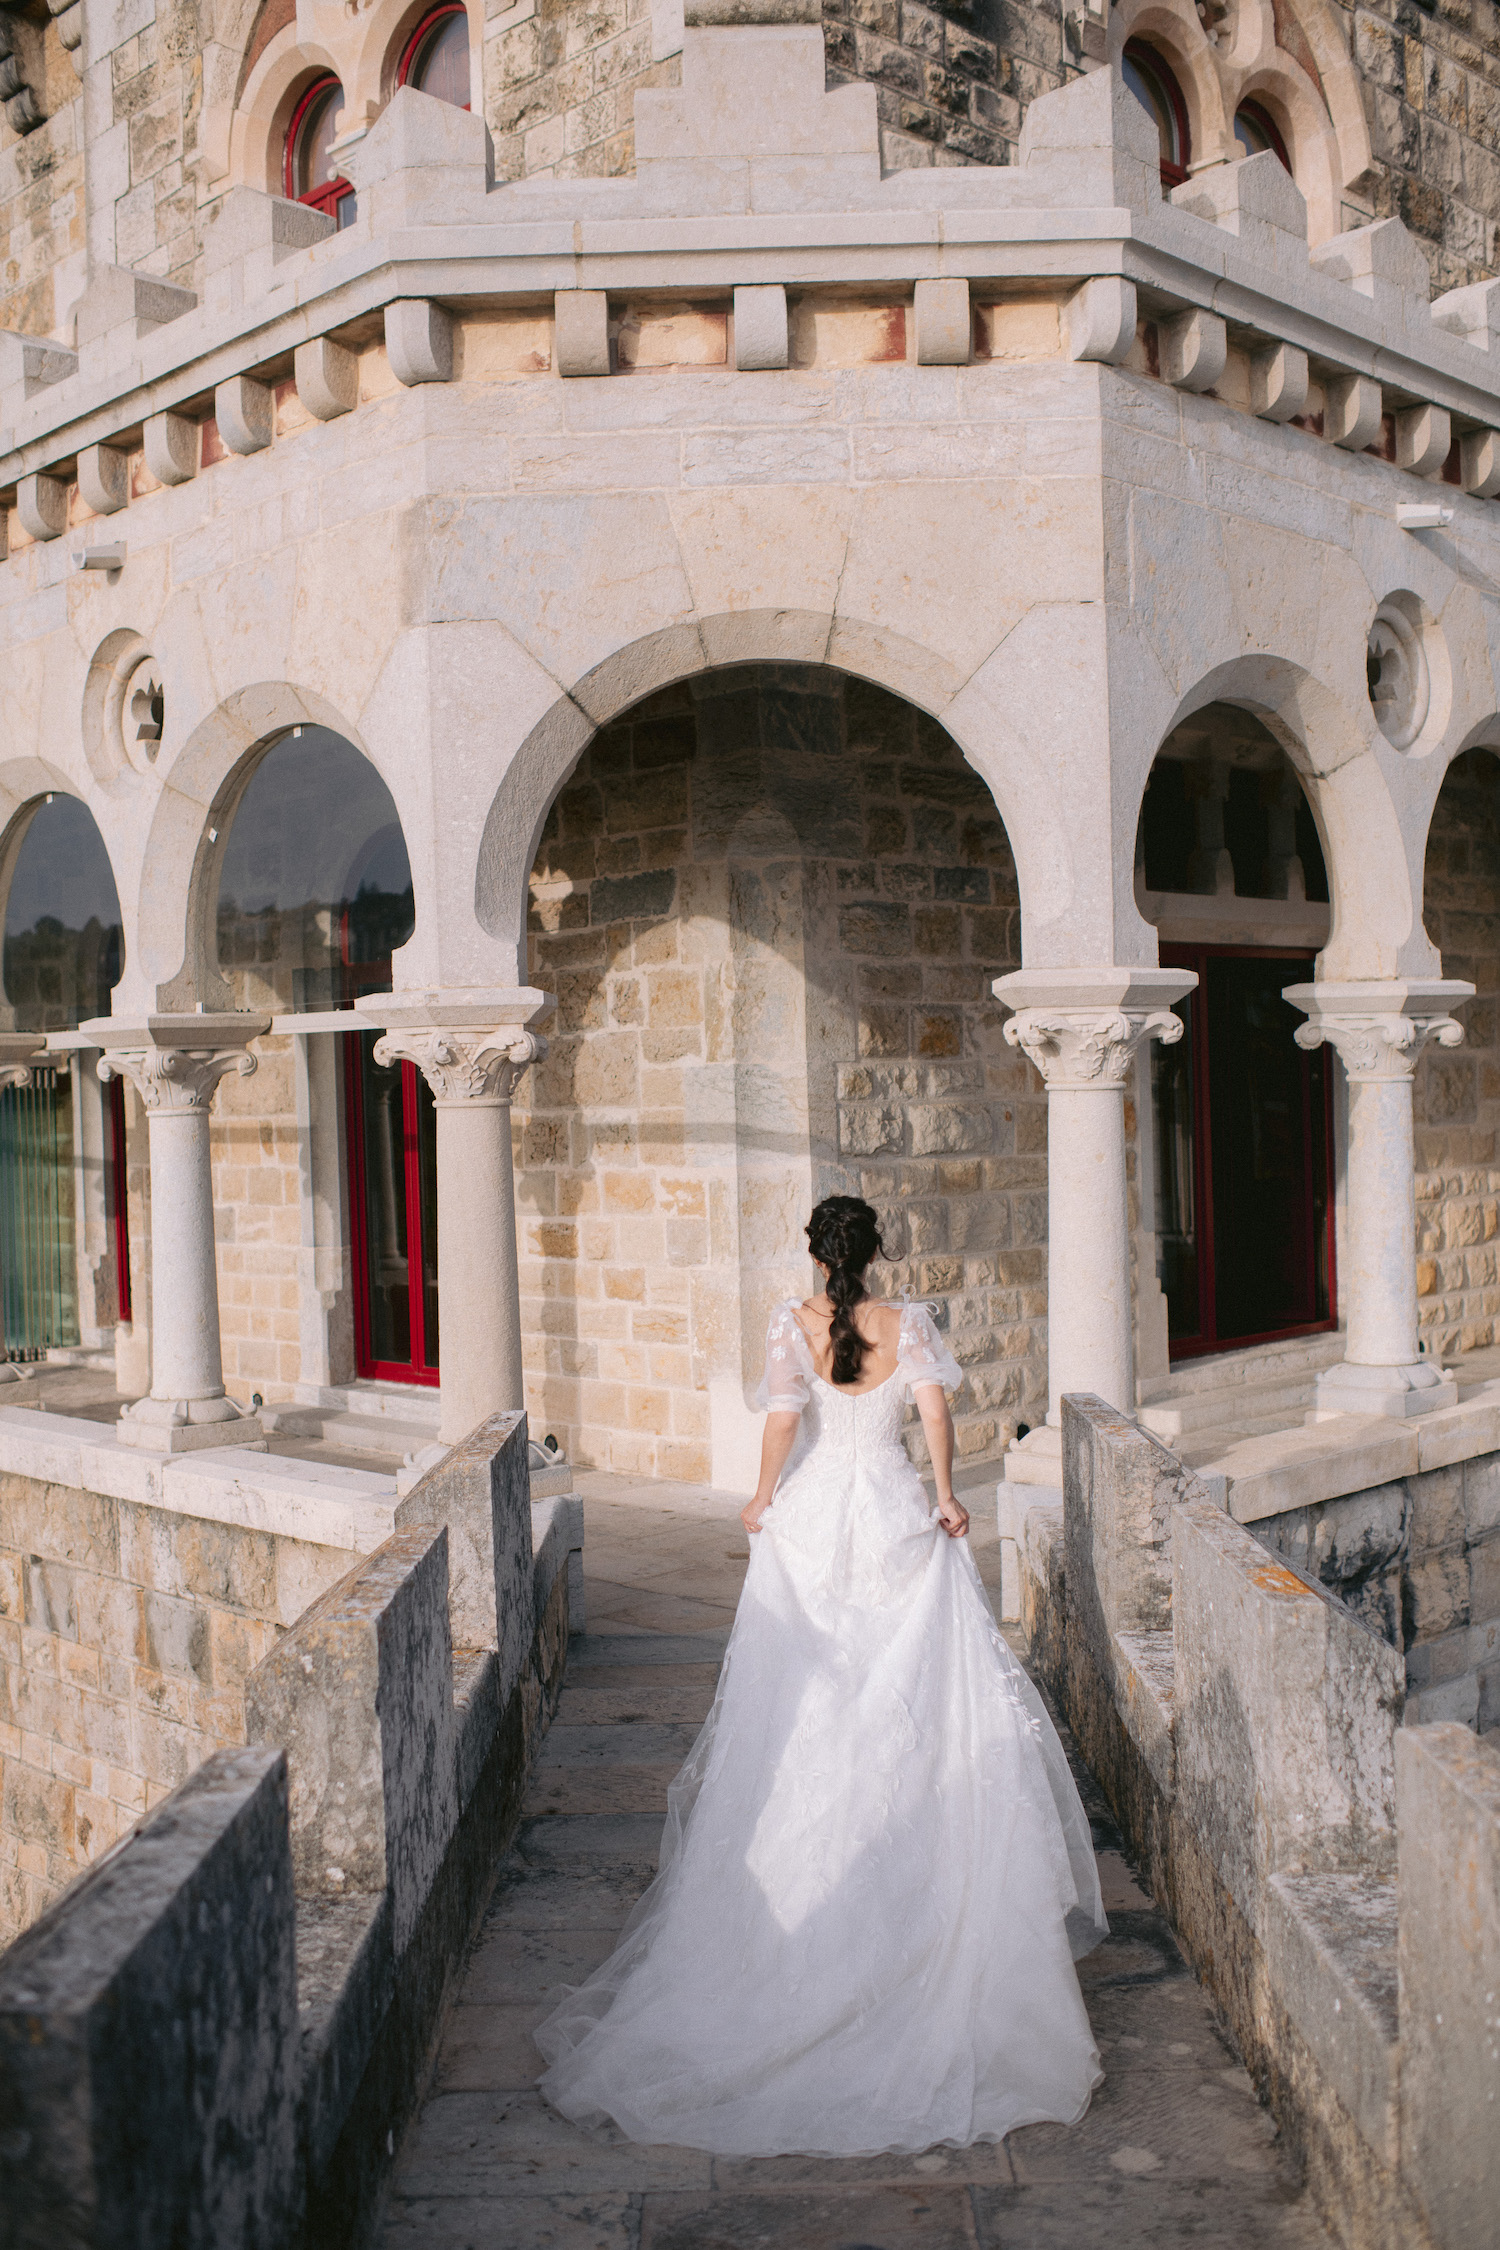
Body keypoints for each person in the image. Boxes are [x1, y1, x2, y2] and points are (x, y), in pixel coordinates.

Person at [535, 1194, 1106, 2156]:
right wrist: (945, 1499)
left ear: (815, 1256)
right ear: (876, 1255)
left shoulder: (791, 1325)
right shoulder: (909, 1324)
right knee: (912, 1697)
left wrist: (763, 1498)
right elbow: (934, 1419)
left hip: (820, 1511)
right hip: (888, 1507)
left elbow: (782, 1426)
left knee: (801, 1711)